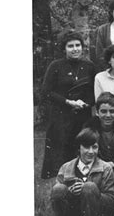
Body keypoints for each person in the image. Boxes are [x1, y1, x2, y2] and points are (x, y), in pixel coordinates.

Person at [48, 128, 114, 216]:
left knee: (89, 187)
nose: (91, 151)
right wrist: (70, 191)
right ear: (78, 148)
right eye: (86, 147)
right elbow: (56, 198)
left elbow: (111, 200)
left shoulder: (105, 168)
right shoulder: (66, 167)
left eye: (94, 147)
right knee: (58, 188)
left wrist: (90, 190)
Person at [41, 30, 96, 179]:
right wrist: (67, 102)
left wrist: (87, 103)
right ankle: (60, 182)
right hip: (61, 115)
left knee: (81, 148)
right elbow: (46, 92)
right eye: (70, 46)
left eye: (78, 45)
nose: (75, 49)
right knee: (60, 151)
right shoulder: (56, 65)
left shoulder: (89, 66)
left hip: (83, 115)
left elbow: (94, 90)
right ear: (64, 49)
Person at [83, 92, 114, 164]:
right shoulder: (89, 128)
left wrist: (113, 163)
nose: (108, 115)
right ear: (97, 112)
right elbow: (85, 153)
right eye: (104, 111)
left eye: (112, 111)